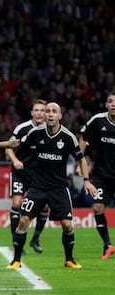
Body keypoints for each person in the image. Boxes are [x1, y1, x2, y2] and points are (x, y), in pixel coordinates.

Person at [0, 102, 97, 269]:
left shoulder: (68, 137)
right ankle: (16, 260)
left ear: (60, 116)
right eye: (47, 111)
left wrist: (86, 180)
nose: (49, 114)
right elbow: (17, 144)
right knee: (24, 220)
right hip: (38, 187)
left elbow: (81, 159)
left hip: (59, 188)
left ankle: (69, 259)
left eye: (53, 111)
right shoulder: (36, 132)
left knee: (67, 225)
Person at [5, 100, 48, 254]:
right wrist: (15, 160)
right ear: (31, 113)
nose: (39, 113)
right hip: (20, 173)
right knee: (17, 204)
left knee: (45, 207)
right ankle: (16, 239)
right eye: (36, 110)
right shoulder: (22, 129)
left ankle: (35, 239)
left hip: (39, 176)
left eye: (42, 110)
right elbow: (9, 148)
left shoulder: (49, 130)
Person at [79, 90, 115, 259]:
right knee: (97, 207)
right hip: (101, 175)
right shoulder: (97, 120)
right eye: (110, 101)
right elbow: (83, 138)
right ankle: (108, 245)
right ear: (106, 105)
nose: (113, 104)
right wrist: (80, 160)